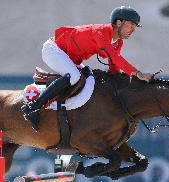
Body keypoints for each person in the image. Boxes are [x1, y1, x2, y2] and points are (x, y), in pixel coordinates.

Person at [22, 5, 153, 131]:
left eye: (134, 27)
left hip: (69, 57)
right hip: (53, 50)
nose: (133, 30)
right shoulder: (100, 31)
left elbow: (114, 68)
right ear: (119, 23)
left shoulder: (118, 42)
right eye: (131, 25)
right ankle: (33, 108)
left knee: (89, 78)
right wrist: (137, 73)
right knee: (74, 77)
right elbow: (115, 58)